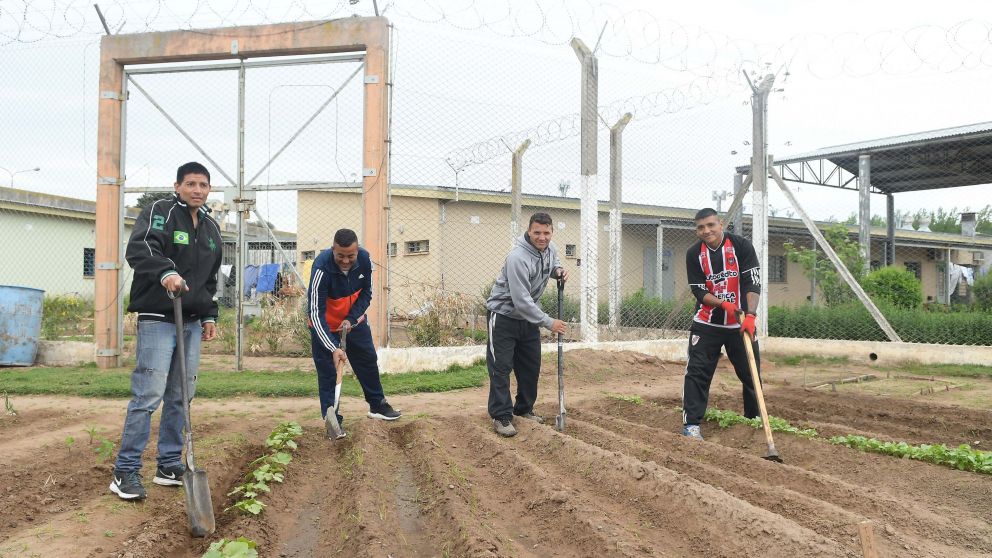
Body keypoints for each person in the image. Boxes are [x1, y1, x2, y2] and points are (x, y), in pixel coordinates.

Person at [110, 162, 223, 500]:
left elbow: (209, 279)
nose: (197, 190)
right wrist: (166, 273)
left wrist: (209, 315)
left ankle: (169, 463)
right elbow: (141, 248)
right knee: (148, 395)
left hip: (189, 321)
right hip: (158, 317)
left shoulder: (211, 227)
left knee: (180, 395)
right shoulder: (159, 211)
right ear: (177, 186)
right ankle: (125, 470)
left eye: (203, 185)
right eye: (191, 184)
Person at [308, 228, 400, 439]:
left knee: (367, 360)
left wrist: (351, 318)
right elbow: (315, 311)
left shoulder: (365, 261)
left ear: (357, 250)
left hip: (353, 322)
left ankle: (377, 405)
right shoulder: (321, 267)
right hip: (324, 327)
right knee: (329, 372)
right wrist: (333, 347)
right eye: (340, 255)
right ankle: (333, 420)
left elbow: (366, 294)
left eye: (351, 255)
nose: (346, 260)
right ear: (333, 250)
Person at [485, 212, 569, 437]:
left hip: (528, 319)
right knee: (501, 367)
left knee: (530, 367)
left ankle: (524, 409)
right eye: (537, 233)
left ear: (552, 232)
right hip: (504, 316)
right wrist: (549, 322)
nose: (542, 237)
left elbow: (552, 264)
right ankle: (501, 416)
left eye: (546, 233)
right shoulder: (517, 257)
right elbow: (521, 301)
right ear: (529, 231)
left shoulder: (551, 249)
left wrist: (557, 271)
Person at [682, 207, 762, 441]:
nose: (706, 231)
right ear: (697, 231)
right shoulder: (693, 254)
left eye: (710, 225)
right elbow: (699, 291)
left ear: (721, 224)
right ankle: (691, 425)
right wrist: (724, 305)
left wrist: (750, 315)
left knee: (751, 374)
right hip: (707, 324)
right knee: (697, 373)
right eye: (700, 227)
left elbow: (752, 283)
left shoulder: (741, 247)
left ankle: (754, 421)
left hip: (740, 324)